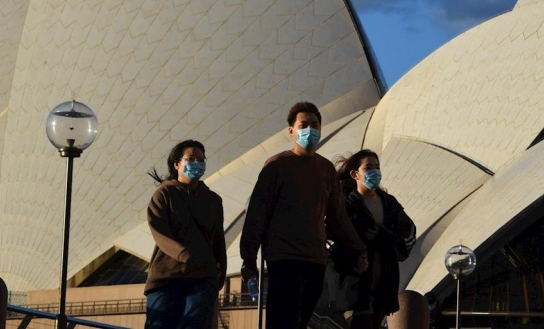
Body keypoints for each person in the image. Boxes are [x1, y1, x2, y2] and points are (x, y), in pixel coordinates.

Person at [240, 101, 367, 329]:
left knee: (301, 323)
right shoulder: (277, 166)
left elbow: (339, 218)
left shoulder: (326, 169)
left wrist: (358, 249)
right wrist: (248, 257)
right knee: (283, 323)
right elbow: (258, 213)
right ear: (291, 131)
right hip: (284, 258)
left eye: (315, 125)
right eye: (304, 124)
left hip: (315, 260)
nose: (310, 130)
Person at [327, 149, 417, 329]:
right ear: (355, 174)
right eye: (368, 168)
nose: (375, 172)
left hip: (383, 282)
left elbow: (409, 233)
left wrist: (380, 235)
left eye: (377, 167)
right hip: (353, 284)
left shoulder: (389, 203)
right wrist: (353, 257)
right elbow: (327, 239)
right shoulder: (342, 204)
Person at [144, 139, 226, 329]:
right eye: (191, 159)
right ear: (177, 164)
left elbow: (217, 238)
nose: (197, 163)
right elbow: (159, 231)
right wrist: (183, 254)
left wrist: (219, 273)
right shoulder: (164, 194)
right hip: (166, 277)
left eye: (201, 159)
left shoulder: (213, 200)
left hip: (202, 277)